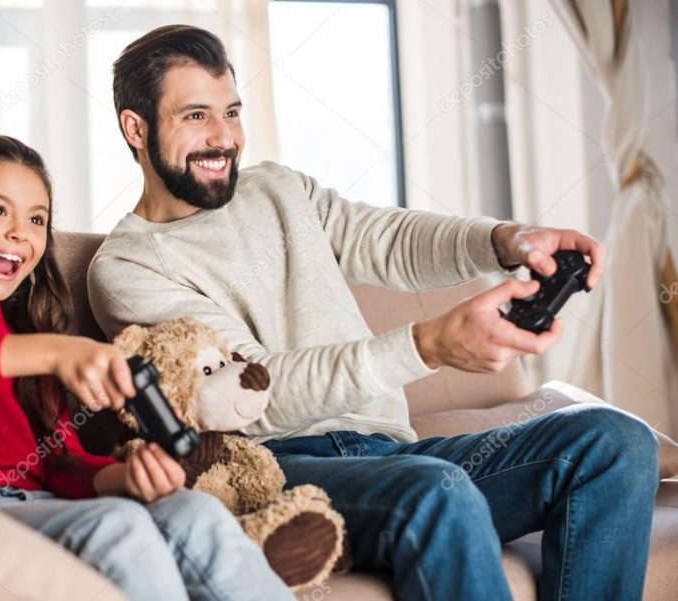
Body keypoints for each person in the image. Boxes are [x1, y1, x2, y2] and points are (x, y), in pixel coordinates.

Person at [87, 25, 660, 601]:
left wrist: (509, 240)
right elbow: (254, 395)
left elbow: (387, 239)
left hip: (392, 453)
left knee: (616, 443)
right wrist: (427, 346)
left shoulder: (277, 189)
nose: (224, 138)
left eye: (232, 112)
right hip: (283, 469)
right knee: (435, 489)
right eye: (195, 117)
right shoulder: (129, 266)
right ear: (135, 127)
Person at [0, 135, 295, 601]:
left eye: (37, 219)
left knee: (195, 510)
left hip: (35, 503)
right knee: (118, 528)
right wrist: (56, 352)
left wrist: (123, 478)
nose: (21, 231)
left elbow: (59, 463)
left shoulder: (25, 324)